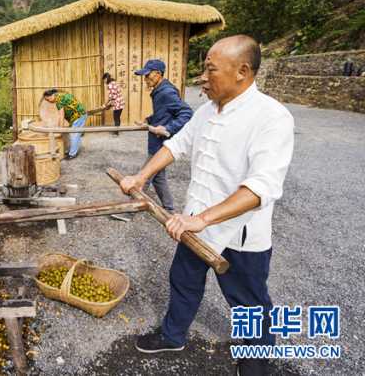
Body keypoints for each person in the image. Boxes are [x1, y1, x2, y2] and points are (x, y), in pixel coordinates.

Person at [120, 35, 294, 376]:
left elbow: (261, 188)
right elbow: (175, 145)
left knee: (248, 302)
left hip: (239, 235)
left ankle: (257, 362)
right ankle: (173, 337)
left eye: (210, 70)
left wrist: (201, 219)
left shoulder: (272, 117)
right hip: (193, 225)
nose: (202, 77)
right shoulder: (205, 112)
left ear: (242, 71)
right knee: (183, 281)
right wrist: (141, 177)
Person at [134, 59, 193, 213]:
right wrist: (148, 120)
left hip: (161, 143)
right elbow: (163, 114)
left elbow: (186, 113)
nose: (145, 79)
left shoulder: (166, 92)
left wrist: (167, 128)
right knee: (158, 178)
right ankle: (169, 209)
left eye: (147, 75)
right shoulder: (159, 90)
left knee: (144, 176)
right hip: (156, 141)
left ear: (158, 74)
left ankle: (129, 209)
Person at [42, 89, 87, 159]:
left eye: (48, 99)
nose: (49, 102)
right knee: (76, 134)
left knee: (74, 134)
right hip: (79, 115)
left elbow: (61, 115)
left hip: (78, 116)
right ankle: (72, 150)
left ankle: (72, 154)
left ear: (51, 96)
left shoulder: (59, 101)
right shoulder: (62, 95)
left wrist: (60, 129)